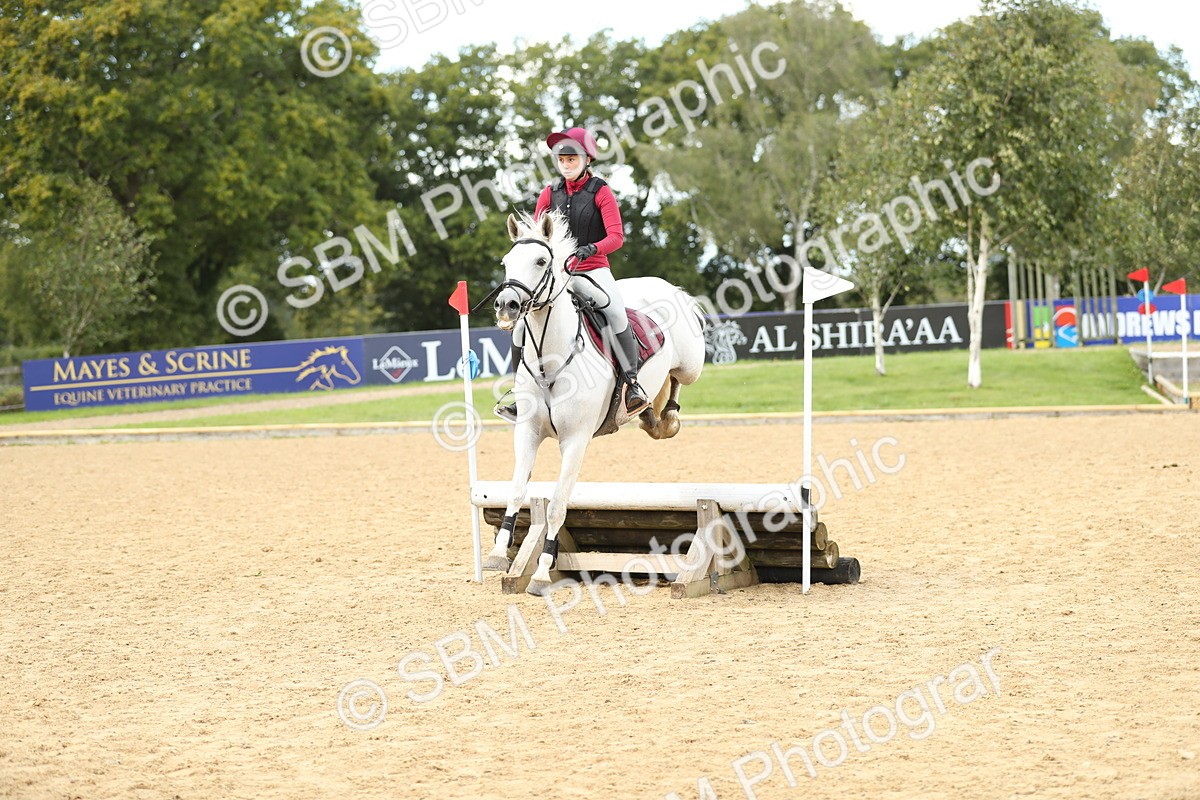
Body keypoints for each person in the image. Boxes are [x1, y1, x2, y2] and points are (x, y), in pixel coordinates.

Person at [496, 126, 650, 421]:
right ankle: (519, 394)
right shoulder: (548, 193)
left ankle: (633, 386)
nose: (566, 165)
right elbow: (535, 236)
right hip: (555, 275)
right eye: (561, 160)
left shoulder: (601, 191)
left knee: (616, 313)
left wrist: (591, 249)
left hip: (592, 269)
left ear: (587, 159)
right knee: (519, 326)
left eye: (572, 159)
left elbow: (616, 237)